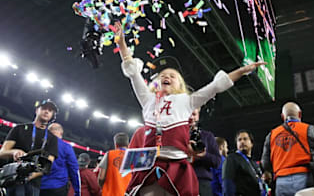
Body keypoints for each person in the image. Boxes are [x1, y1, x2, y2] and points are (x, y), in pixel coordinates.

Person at [114, 21, 266, 196]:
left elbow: (215, 86)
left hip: (178, 167)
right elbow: (133, 73)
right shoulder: (148, 100)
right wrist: (122, 44)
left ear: (180, 84)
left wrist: (242, 71)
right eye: (163, 75)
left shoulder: (187, 100)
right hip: (150, 168)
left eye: (172, 76)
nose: (167, 77)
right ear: (156, 82)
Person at [261, 102, 314, 196]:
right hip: (304, 177)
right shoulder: (309, 129)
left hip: (281, 182)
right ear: (299, 114)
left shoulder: (271, 135)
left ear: (283, 116)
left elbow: (265, 163)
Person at [0, 99, 59, 196]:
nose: (47, 111)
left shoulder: (52, 139)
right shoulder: (19, 129)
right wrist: (14, 152)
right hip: (12, 178)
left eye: (50, 110)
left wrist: (32, 174)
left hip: (33, 184)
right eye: (44, 108)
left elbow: (48, 164)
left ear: (52, 116)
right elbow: (1, 153)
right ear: (36, 110)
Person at [40, 123, 81, 196]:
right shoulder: (66, 147)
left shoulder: (40, 144)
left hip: (39, 186)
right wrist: (77, 191)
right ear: (61, 133)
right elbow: (74, 170)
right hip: (58, 187)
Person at [223, 130, 266, 196]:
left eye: (245, 139)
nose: (242, 142)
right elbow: (228, 182)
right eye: (239, 140)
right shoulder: (232, 158)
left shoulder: (254, 164)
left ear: (251, 143)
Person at [190, 109, 221, 196]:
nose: (191, 117)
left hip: (203, 182)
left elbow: (217, 161)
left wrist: (204, 155)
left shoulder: (208, 136)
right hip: (182, 180)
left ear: (198, 116)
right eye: (188, 114)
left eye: (194, 114)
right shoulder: (178, 136)